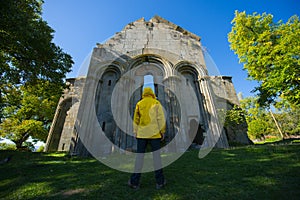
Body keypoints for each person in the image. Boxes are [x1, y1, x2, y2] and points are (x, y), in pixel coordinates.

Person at [128, 87, 166, 190]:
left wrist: (135, 132)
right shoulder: (156, 103)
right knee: (157, 158)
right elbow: (161, 118)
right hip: (154, 134)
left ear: (144, 93)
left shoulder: (139, 104)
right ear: (152, 93)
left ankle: (134, 182)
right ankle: (160, 182)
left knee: (139, 158)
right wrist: (162, 132)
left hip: (142, 134)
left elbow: (136, 119)